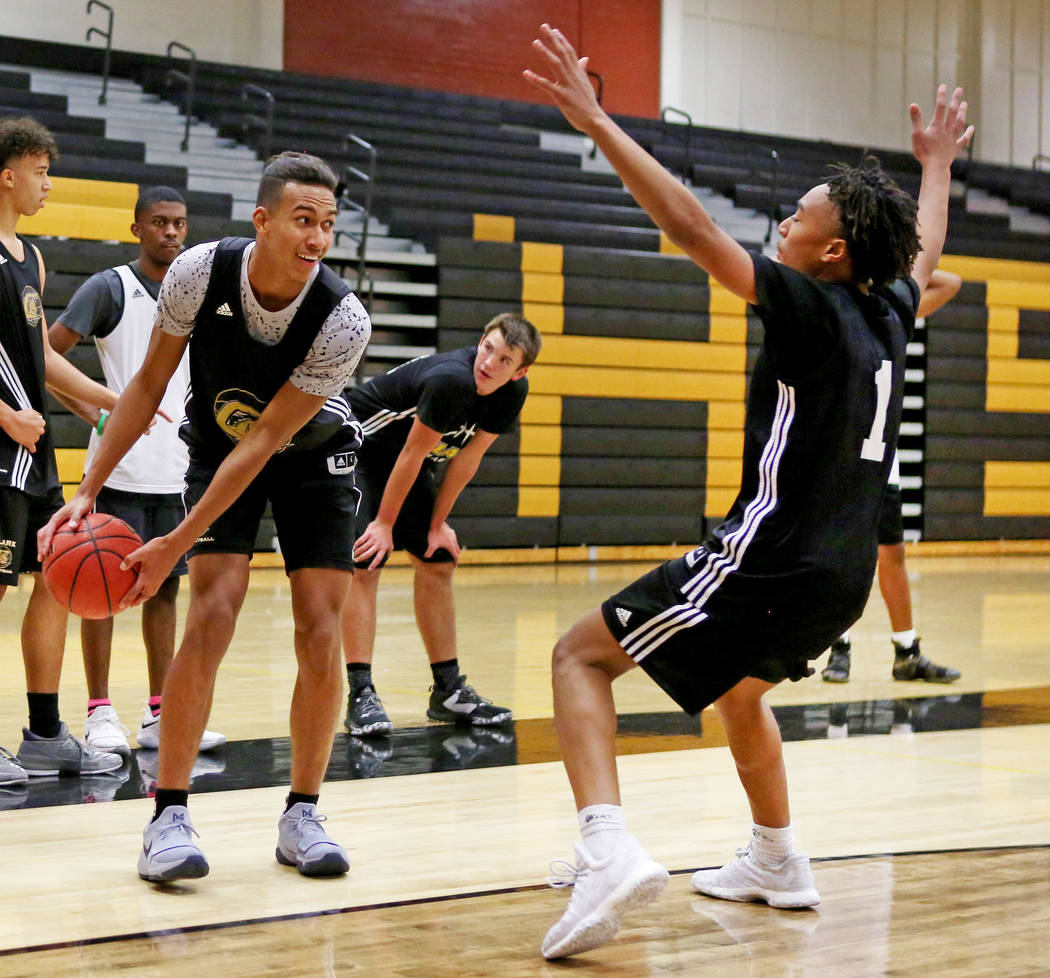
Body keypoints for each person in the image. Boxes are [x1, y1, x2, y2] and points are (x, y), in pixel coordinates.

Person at [524, 24, 972, 960]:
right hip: (842, 574)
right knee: (740, 693)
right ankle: (778, 859)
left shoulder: (808, 308)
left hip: (770, 553)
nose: (784, 219)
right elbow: (923, 250)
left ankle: (606, 849)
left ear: (833, 251)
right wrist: (934, 166)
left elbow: (689, 227)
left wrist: (600, 121)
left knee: (578, 659)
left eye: (800, 215)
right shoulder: (891, 310)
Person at [39, 151, 371, 882]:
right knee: (211, 614)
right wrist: (87, 491)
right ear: (263, 220)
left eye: (328, 225)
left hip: (310, 458)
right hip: (216, 449)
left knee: (321, 627)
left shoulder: (344, 319)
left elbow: (265, 441)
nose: (317, 238)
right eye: (302, 220)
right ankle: (167, 816)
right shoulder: (198, 272)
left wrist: (174, 541)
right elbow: (147, 383)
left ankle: (303, 812)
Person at [47, 186, 225, 756]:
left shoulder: (197, 293)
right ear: (137, 229)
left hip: (178, 471)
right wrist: (95, 411)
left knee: (165, 592)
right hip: (116, 473)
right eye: (160, 223)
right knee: (97, 589)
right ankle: (100, 711)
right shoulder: (110, 287)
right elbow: (47, 355)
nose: (172, 233)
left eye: (180, 224)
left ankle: (160, 711)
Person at [0, 116, 129, 786]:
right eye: (41, 171)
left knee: (55, 581)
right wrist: (2, 414)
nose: (48, 184)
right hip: (1, 450)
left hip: (36, 454)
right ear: (8, 174)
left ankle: (46, 733)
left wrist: (116, 400)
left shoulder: (32, 258)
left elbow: (40, 360)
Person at [341, 313, 540, 735]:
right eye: (488, 348)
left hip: (404, 463)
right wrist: (382, 523)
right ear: (480, 340)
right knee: (366, 560)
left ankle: (448, 690)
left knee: (438, 559)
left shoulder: (512, 394)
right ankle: (361, 692)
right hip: (358, 449)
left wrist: (437, 524)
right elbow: (412, 453)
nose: (490, 363)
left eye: (505, 360)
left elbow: (468, 457)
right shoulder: (451, 379)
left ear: (520, 371)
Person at [823, 270, 963, 684]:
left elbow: (949, 282)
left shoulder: (892, 312)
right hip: (836, 451)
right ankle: (838, 647)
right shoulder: (830, 308)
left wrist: (889, 264)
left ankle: (907, 652)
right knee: (840, 555)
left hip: (882, 452)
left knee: (893, 552)